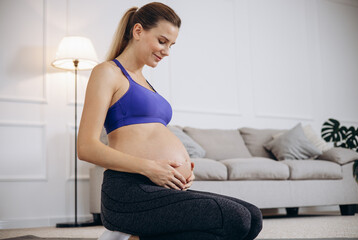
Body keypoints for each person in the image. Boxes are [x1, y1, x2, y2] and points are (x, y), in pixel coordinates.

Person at [77, 2, 263, 240]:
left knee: (253, 216)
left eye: (171, 45)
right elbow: (86, 147)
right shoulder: (108, 72)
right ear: (137, 31)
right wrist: (151, 167)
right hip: (128, 192)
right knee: (237, 218)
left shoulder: (145, 82)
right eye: (162, 41)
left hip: (160, 190)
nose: (166, 51)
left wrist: (181, 169)